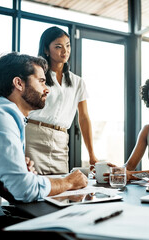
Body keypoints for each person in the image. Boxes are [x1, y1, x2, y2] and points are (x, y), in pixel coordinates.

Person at [0, 52, 88, 237]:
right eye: (41, 81)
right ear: (18, 83)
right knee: (68, 233)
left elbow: (7, 183)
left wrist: (17, 172)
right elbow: (23, 189)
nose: (47, 89)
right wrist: (68, 182)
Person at [25, 26, 98, 175]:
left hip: (60, 141)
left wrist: (91, 155)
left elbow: (83, 118)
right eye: (58, 47)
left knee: (61, 190)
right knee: (34, 188)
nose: (65, 51)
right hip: (33, 137)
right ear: (46, 50)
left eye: (67, 45)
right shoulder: (36, 76)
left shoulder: (77, 82)